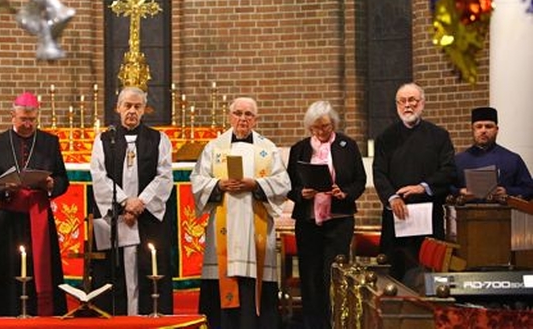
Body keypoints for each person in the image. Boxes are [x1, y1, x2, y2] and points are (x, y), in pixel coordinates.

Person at [190, 96, 291, 329]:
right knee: (223, 278)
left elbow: (283, 184)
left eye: (248, 115)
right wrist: (219, 185)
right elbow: (197, 181)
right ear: (229, 116)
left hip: (254, 227)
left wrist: (255, 185)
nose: (242, 119)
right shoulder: (214, 147)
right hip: (223, 229)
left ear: (255, 120)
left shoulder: (267, 149)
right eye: (238, 113)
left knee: (252, 281)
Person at [0, 92, 69, 316]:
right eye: (23, 119)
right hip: (7, 217)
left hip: (38, 215)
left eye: (32, 119)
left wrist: (51, 184)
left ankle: (42, 312)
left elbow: (62, 179)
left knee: (39, 267)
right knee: (7, 267)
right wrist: (3, 188)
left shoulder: (50, 142)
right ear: (13, 116)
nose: (28, 124)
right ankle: (5, 311)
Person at [90, 86, 174, 315]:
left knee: (147, 268)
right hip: (117, 219)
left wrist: (141, 203)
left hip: (147, 218)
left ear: (144, 110)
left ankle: (148, 317)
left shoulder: (158, 139)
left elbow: (164, 175)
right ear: (118, 108)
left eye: (137, 106)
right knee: (115, 272)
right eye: (127, 105)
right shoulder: (105, 140)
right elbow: (99, 176)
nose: (132, 111)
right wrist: (125, 202)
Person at [286, 101, 366, 329]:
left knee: (332, 274)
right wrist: (302, 192)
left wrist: (344, 193)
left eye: (326, 127)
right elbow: (288, 186)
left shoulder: (347, 145)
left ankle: (336, 322)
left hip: (338, 221)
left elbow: (359, 180)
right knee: (310, 275)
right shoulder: (300, 149)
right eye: (316, 128)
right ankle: (313, 323)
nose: (322, 132)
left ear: (334, 124)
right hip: (308, 221)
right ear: (309, 127)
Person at [373, 82, 456, 282]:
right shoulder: (386, 137)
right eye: (402, 101)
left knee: (429, 272)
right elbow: (379, 172)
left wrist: (422, 187)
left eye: (412, 100)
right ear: (397, 105)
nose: (407, 105)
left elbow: (449, 170)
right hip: (397, 216)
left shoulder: (439, 136)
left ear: (422, 104)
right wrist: (392, 198)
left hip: (428, 216)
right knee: (396, 274)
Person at [455, 107, 533, 200]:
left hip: (503, 212)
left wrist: (507, 191)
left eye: (488, 126)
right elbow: (446, 187)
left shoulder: (512, 159)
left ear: (497, 129)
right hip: (467, 212)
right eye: (479, 126)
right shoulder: (459, 160)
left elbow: (529, 188)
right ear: (473, 130)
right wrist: (460, 192)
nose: (483, 131)